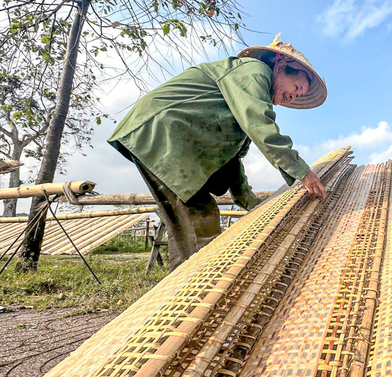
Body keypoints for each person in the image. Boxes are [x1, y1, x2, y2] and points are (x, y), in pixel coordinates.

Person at [108, 35, 327, 271]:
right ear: (281, 65)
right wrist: (302, 172)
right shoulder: (254, 71)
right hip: (164, 132)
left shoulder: (243, 97)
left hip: (173, 140)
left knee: (189, 225)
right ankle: (196, 289)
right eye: (296, 87)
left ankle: (187, 284)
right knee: (199, 220)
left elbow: (231, 160)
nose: (293, 96)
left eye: (298, 95)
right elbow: (260, 125)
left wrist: (252, 202)